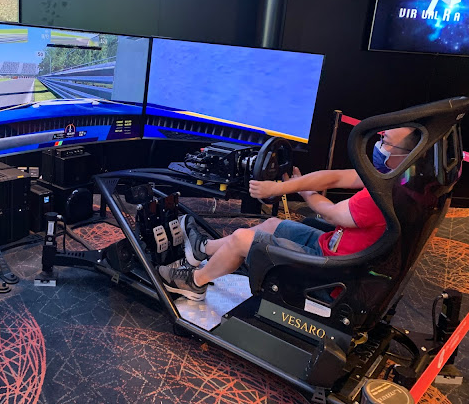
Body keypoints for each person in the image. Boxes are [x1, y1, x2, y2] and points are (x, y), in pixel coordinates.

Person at [157, 127, 420, 301]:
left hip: (330, 273)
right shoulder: (395, 179)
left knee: (241, 239)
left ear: (406, 156)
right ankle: (203, 249)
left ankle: (194, 282)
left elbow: (331, 214)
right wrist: (282, 187)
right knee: (272, 224)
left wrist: (299, 190)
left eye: (385, 142)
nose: (379, 145)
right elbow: (335, 176)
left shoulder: (382, 196)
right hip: (330, 247)